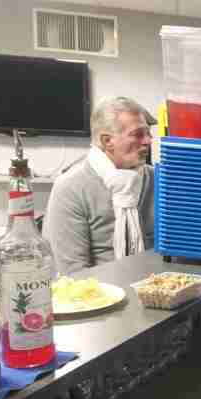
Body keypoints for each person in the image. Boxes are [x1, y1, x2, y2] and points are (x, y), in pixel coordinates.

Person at [44, 96, 155, 275]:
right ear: (107, 141)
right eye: (138, 134)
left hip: (156, 286)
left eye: (148, 134)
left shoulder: (157, 179)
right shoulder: (70, 187)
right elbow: (73, 273)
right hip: (98, 290)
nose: (148, 141)